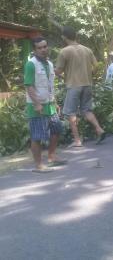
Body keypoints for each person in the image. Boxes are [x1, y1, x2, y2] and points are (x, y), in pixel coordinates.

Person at [55, 26, 105, 147]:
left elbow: (58, 71)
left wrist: (59, 75)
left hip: (73, 86)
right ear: (76, 36)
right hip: (87, 84)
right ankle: (99, 129)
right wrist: (91, 74)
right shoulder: (87, 50)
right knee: (86, 110)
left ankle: (77, 140)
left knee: (70, 113)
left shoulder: (64, 51)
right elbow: (97, 65)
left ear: (64, 37)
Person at [24, 37, 66, 173]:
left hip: (50, 105)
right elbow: (29, 86)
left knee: (57, 129)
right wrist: (36, 103)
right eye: (39, 48)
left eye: (45, 46)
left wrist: (55, 102)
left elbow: (50, 86)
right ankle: (38, 165)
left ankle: (52, 156)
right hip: (36, 107)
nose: (43, 49)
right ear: (34, 50)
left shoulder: (49, 64)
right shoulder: (31, 64)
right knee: (37, 136)